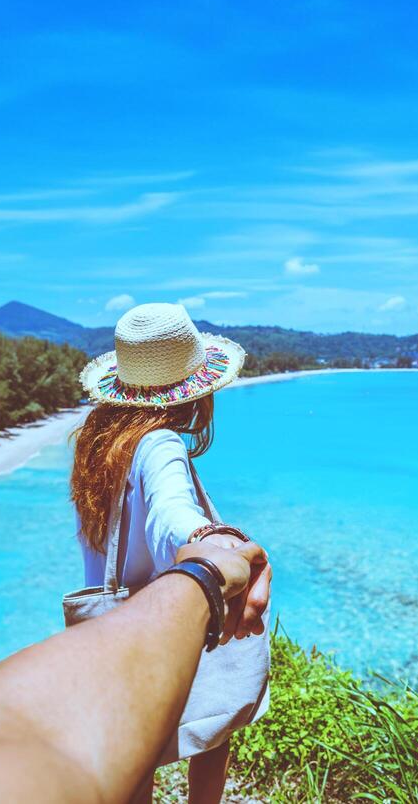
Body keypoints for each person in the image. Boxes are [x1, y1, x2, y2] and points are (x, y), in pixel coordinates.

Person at [0, 536, 266, 803]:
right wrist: (205, 568)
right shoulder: (161, 446)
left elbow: (4, 722)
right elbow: (35, 744)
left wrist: (199, 575)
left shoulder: (103, 447)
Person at [68, 302, 271, 804]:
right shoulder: (159, 442)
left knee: (133, 757)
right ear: (197, 392)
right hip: (158, 628)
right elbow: (172, 519)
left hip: (112, 634)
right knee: (216, 721)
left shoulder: (100, 442)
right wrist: (213, 540)